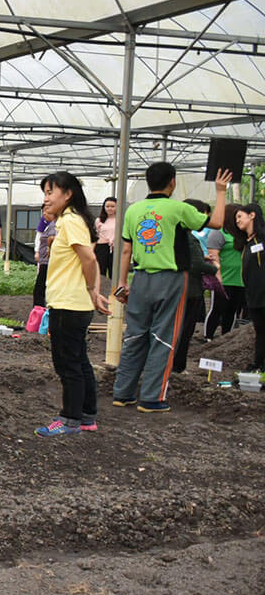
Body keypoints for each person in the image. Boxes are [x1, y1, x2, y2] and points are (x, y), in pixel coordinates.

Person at [111, 162, 231, 413]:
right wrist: (221, 191)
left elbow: (125, 250)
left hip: (140, 279)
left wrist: (122, 283)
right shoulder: (178, 209)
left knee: (134, 336)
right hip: (171, 280)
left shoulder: (133, 210)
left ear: (148, 182)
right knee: (163, 338)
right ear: (172, 182)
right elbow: (218, 222)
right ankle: (151, 398)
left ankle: (122, 393)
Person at [33, 172, 110, 437]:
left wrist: (92, 289)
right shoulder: (72, 220)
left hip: (68, 303)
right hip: (73, 302)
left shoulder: (70, 221)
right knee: (79, 360)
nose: (46, 198)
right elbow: (86, 259)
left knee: (67, 363)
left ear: (68, 194)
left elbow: (89, 258)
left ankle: (70, 419)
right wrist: (93, 292)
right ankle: (86, 416)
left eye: (50, 192)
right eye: (45, 193)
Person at [172, 200, 217, 374]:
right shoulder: (188, 238)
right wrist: (214, 268)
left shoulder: (178, 235)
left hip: (178, 288)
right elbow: (196, 266)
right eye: (202, 216)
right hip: (189, 290)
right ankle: (178, 366)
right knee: (185, 330)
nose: (204, 220)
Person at [233, 204, 265, 372]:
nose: (237, 220)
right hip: (253, 296)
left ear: (252, 215)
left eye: (240, 216)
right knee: (260, 331)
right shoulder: (247, 243)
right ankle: (258, 364)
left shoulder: (262, 239)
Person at [205, 205, 245, 339]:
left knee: (232, 310)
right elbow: (213, 256)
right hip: (224, 278)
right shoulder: (219, 233)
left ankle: (226, 337)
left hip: (239, 279)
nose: (239, 219)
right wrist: (218, 277)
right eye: (237, 216)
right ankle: (208, 337)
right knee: (217, 309)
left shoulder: (242, 234)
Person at [32, 205, 56, 309]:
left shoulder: (54, 225)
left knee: (40, 287)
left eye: (47, 212)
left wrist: (49, 248)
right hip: (44, 260)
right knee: (40, 286)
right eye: (43, 212)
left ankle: (39, 309)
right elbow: (39, 235)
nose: (44, 214)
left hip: (48, 261)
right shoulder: (47, 224)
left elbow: (53, 238)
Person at [96, 197, 118, 278]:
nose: (110, 209)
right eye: (107, 206)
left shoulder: (120, 220)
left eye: (112, 206)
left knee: (114, 272)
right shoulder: (99, 220)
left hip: (115, 248)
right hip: (101, 247)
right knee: (101, 272)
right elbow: (96, 235)